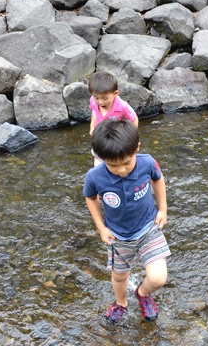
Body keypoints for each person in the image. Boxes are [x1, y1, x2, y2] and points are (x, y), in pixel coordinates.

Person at [83, 119, 170, 324]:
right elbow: (90, 197)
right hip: (119, 236)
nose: (121, 170)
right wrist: (101, 227)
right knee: (120, 276)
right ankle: (121, 302)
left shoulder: (147, 162)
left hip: (149, 227)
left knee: (158, 278)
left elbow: (158, 178)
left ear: (136, 148)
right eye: (113, 165)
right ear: (101, 157)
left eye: (127, 163)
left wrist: (163, 209)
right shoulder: (95, 176)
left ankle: (142, 293)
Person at [88, 71, 139, 166]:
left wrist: (130, 138)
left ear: (115, 93)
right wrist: (92, 127)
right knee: (98, 157)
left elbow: (134, 119)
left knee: (116, 162)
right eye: (96, 98)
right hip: (100, 137)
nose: (100, 102)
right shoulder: (93, 101)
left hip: (116, 139)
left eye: (105, 98)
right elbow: (94, 112)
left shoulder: (123, 106)